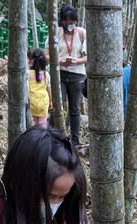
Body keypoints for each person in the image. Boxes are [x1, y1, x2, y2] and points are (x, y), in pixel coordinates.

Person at [46, 4, 87, 149]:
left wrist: (76, 61)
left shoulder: (82, 33)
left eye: (71, 21)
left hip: (77, 75)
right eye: (66, 21)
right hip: (60, 73)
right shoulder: (56, 32)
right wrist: (60, 61)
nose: (69, 24)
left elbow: (87, 57)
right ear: (61, 20)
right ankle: (50, 135)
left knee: (75, 109)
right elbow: (47, 55)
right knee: (58, 105)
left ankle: (75, 140)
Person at [28, 48, 52, 127]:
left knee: (35, 124)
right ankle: (42, 138)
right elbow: (49, 90)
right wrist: (51, 102)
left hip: (32, 102)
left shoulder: (28, 74)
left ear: (31, 61)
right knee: (43, 124)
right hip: (43, 102)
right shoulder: (46, 75)